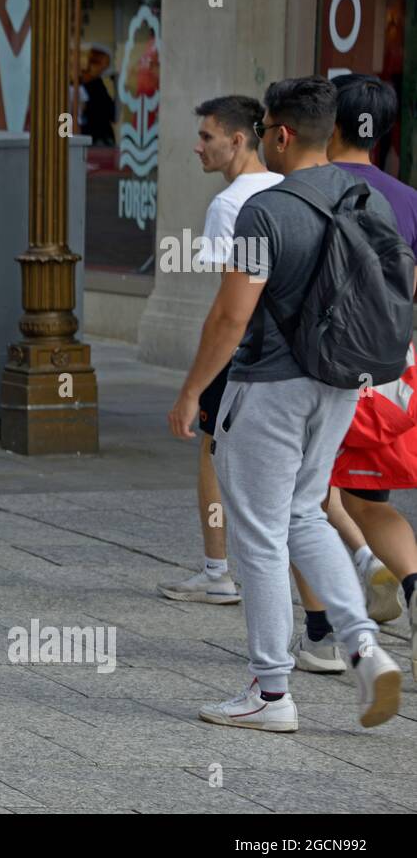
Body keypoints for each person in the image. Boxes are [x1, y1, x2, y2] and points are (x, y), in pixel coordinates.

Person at [168, 75, 404, 733]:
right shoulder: (366, 198)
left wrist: (191, 392)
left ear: (278, 132)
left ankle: (271, 692)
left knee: (260, 533)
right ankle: (360, 644)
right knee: (305, 512)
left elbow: (229, 316)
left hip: (268, 386)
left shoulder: (263, 210)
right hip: (338, 381)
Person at [292, 73, 417, 678]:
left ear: (327, 121)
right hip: (391, 370)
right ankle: (413, 587)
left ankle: (320, 634)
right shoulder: (408, 198)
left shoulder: (310, 189)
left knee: (303, 501)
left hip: (318, 367)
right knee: (367, 497)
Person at [158, 95, 282, 605]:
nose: (197, 146)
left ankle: (216, 570)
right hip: (287, 348)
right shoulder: (284, 188)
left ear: (237, 140)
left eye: (207, 137)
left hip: (244, 346)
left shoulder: (230, 205)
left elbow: (229, 303)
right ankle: (366, 561)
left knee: (211, 448)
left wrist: (194, 384)